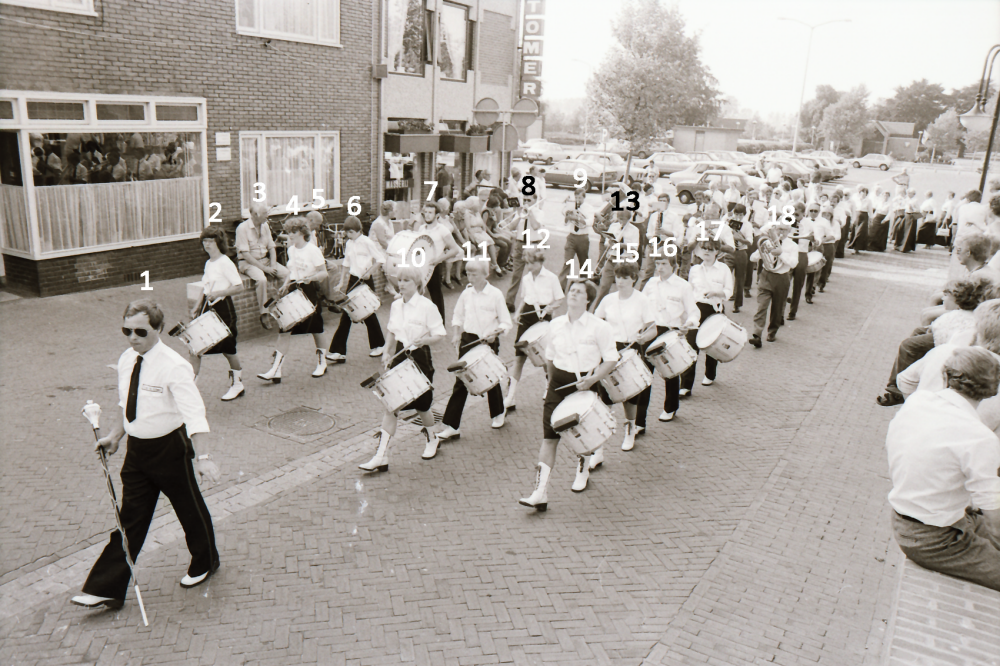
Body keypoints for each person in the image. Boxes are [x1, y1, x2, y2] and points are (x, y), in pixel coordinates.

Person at [70, 300, 222, 609]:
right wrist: (115, 436)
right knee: (130, 518)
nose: (132, 337)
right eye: (126, 330)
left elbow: (195, 415)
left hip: (170, 447)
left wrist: (203, 459)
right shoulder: (127, 359)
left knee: (188, 508)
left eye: (140, 331)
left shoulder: (174, 365)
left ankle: (206, 561)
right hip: (137, 451)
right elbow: (128, 404)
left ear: (158, 329)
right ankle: (106, 587)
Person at [885, 347, 1000, 591]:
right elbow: (994, 521)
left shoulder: (919, 400)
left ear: (947, 377)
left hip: (909, 521)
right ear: (993, 389)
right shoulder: (979, 437)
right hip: (935, 539)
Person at [519, 280, 619, 510]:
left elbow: (611, 359)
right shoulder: (555, 325)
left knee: (583, 435)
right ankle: (540, 492)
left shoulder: (599, 327)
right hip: (558, 384)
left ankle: (582, 471)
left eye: (578, 292)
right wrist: (551, 383)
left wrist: (593, 380)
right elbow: (550, 358)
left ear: (587, 299)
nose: (573, 294)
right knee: (549, 437)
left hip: (586, 383)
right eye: (571, 290)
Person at [358, 267, 447, 471]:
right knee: (391, 405)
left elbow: (440, 335)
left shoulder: (427, 306)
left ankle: (432, 439)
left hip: (420, 357)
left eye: (406, 280)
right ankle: (381, 456)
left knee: (422, 407)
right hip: (401, 356)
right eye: (400, 279)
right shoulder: (397, 305)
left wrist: (425, 339)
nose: (402, 283)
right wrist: (387, 352)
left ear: (416, 283)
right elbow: (392, 330)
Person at [434, 260, 513, 449]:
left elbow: (506, 322)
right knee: (461, 382)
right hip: (468, 340)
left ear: (485, 274)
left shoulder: (495, 295)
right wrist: (456, 334)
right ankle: (452, 426)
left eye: (474, 274)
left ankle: (498, 413)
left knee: (490, 380)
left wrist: (496, 333)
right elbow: (458, 315)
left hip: (488, 341)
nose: (471, 277)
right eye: (468, 273)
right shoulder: (466, 293)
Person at [257, 217, 331, 382]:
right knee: (284, 328)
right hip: (293, 290)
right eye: (289, 232)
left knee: (316, 329)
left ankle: (322, 362)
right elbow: (291, 271)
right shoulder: (291, 250)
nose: (290, 236)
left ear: (302, 233)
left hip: (309, 291)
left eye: (293, 233)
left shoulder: (313, 250)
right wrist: (285, 284)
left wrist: (309, 278)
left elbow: (323, 273)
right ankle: (276, 369)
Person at [594, 261, 657, 455]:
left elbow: (653, 329)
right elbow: (596, 323)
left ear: (634, 279)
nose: (620, 281)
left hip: (631, 350)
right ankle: (599, 449)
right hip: (610, 351)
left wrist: (643, 337)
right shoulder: (608, 300)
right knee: (605, 399)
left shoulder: (642, 300)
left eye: (625, 278)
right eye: (618, 277)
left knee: (629, 397)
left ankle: (629, 431)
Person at [187, 227, 245, 401]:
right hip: (207, 309)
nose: (207, 245)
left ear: (219, 242)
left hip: (223, 309)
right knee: (195, 347)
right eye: (204, 241)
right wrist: (197, 306)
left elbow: (239, 287)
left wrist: (219, 294)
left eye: (211, 241)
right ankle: (191, 387)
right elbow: (205, 288)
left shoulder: (225, 262)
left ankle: (237, 384)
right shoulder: (209, 263)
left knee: (229, 350)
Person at [642, 252, 701, 421]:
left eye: (664, 264)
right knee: (645, 374)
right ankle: (640, 419)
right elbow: (641, 306)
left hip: (670, 332)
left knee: (670, 373)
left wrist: (689, 324)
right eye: (658, 264)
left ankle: (670, 408)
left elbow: (693, 312)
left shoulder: (683, 286)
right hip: (651, 331)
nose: (660, 268)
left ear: (673, 266)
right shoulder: (651, 284)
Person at [506, 248, 564, 412]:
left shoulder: (551, 278)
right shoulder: (526, 279)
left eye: (532, 263)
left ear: (540, 262)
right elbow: (525, 299)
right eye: (528, 263)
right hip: (527, 317)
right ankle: (510, 396)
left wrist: (550, 309)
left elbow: (560, 298)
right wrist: (517, 313)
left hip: (543, 318)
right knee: (519, 358)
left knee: (546, 357)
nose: (529, 267)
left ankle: (548, 386)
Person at [326, 216, 386, 364]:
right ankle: (339, 351)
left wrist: (369, 272)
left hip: (365, 280)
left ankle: (379, 345)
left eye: (351, 232)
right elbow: (346, 263)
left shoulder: (367, 242)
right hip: (353, 280)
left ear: (358, 230)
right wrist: (341, 282)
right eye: (347, 232)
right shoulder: (349, 243)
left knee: (368, 314)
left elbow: (380, 259)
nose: (348, 235)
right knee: (347, 314)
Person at [683, 239, 734, 395]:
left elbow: (729, 291)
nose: (706, 252)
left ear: (716, 252)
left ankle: (710, 374)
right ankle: (685, 386)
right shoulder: (695, 270)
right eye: (704, 249)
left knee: (712, 345)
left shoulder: (723, 269)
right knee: (691, 346)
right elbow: (689, 291)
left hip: (714, 309)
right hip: (697, 309)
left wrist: (716, 293)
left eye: (710, 250)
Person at [236, 202, 290, 330]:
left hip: (265, 260)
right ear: (256, 215)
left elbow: (271, 247)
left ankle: (284, 307)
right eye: (265, 213)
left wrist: (272, 264)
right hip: (248, 262)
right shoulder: (242, 228)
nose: (268, 216)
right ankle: (264, 313)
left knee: (287, 274)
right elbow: (246, 254)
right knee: (261, 279)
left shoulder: (265, 226)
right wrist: (265, 269)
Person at [748, 221, 798, 347]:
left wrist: (781, 253)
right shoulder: (767, 242)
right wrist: (762, 250)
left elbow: (793, 264)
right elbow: (752, 259)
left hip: (782, 278)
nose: (781, 232)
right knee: (761, 307)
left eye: (785, 230)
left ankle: (772, 331)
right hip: (766, 276)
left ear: (789, 231)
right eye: (779, 229)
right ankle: (757, 334)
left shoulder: (792, 246)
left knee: (777, 308)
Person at [414, 200, 464, 320]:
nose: (427, 215)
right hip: (420, 265)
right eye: (425, 212)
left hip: (434, 267)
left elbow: (454, 249)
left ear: (437, 215)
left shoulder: (442, 230)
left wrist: (438, 260)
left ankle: (440, 324)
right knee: (417, 295)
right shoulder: (421, 228)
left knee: (436, 295)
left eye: (430, 212)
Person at [505, 192, 543, 311]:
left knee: (534, 275)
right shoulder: (520, 213)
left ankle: (535, 303)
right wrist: (519, 215)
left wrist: (530, 213)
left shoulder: (539, 212)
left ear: (535, 201)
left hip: (533, 244)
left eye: (529, 200)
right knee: (516, 275)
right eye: (525, 200)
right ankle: (509, 302)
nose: (526, 203)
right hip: (520, 244)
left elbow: (536, 226)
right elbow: (510, 227)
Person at [637, 193, 682, 290]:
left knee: (668, 270)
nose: (662, 203)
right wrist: (653, 239)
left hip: (667, 244)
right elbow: (649, 232)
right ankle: (643, 292)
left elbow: (676, 233)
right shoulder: (653, 216)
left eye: (664, 201)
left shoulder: (674, 216)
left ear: (668, 203)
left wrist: (665, 232)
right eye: (660, 201)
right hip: (655, 244)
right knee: (649, 270)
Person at [559, 188, 595, 290]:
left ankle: (585, 285)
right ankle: (560, 288)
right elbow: (565, 223)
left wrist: (578, 218)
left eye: (580, 197)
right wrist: (568, 216)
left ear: (584, 197)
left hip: (583, 237)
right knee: (567, 262)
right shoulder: (570, 207)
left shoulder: (588, 208)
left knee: (584, 262)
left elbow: (590, 222)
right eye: (576, 197)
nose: (578, 200)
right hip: (572, 236)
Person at [787, 202, 812, 320]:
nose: (795, 216)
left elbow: (815, 238)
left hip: (801, 253)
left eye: (797, 214)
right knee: (785, 282)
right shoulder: (788, 221)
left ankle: (793, 311)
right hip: (789, 252)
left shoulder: (809, 223)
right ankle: (781, 312)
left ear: (803, 213)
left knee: (798, 285)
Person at [848, 186, 871, 254]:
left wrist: (871, 219)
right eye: (862, 192)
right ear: (859, 193)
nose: (863, 194)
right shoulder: (856, 200)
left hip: (864, 217)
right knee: (855, 231)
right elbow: (853, 209)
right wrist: (853, 218)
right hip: (857, 215)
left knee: (860, 232)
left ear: (867, 194)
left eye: (865, 192)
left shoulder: (868, 201)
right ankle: (855, 248)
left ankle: (856, 246)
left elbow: (870, 211)